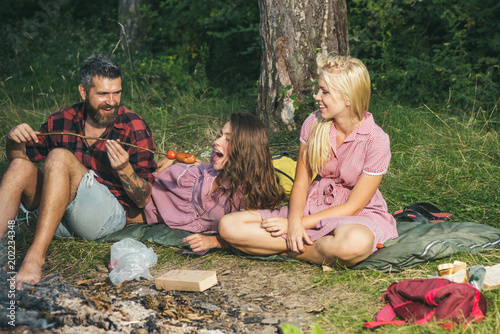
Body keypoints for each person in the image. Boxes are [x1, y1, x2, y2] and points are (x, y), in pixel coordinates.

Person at [219, 53, 397, 267]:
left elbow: (352, 207)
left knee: (354, 243)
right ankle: (319, 250)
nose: (317, 96)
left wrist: (297, 225)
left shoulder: (377, 140)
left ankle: (286, 248)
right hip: (313, 206)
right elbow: (301, 183)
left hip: (356, 216)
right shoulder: (313, 122)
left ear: (348, 98)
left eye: (325, 92)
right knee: (229, 226)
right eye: (318, 89)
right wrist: (293, 222)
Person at [0, 55, 157, 289]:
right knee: (19, 166)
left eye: (117, 93)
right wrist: (13, 141)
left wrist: (125, 169)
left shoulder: (133, 126)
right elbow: (21, 162)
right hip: (57, 215)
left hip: (106, 218)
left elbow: (144, 199)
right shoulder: (63, 120)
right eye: (103, 94)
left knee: (59, 156)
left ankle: (35, 257)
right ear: (83, 92)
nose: (112, 101)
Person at [143, 113, 283, 252]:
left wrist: (215, 241)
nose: (217, 141)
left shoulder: (250, 195)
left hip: (146, 205)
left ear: (246, 150)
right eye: (220, 135)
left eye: (228, 139)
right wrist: (175, 157)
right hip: (153, 186)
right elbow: (201, 162)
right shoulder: (217, 164)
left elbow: (249, 234)